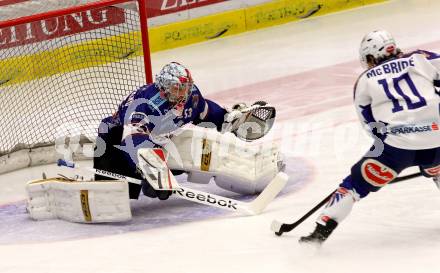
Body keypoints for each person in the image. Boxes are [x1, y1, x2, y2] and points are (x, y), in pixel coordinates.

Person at [299, 30, 440, 245]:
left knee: (354, 184)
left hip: (396, 148)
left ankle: (320, 232)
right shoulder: (421, 58)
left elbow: (370, 125)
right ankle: (434, 167)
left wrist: (394, 145)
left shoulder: (364, 80)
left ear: (371, 56)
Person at [93, 62, 229, 200]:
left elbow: (206, 113)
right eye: (179, 88)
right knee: (115, 188)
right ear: (164, 89)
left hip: (157, 139)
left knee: (182, 153)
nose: (185, 92)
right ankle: (104, 191)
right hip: (117, 142)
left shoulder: (192, 94)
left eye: (187, 86)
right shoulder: (143, 101)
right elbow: (133, 139)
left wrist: (227, 118)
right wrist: (151, 170)